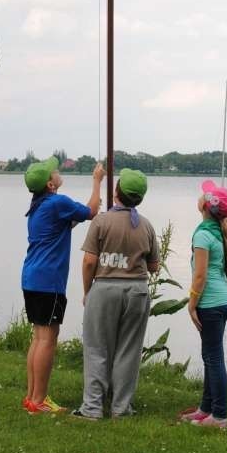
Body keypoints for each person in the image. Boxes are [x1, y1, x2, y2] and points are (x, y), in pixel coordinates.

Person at [73, 169, 159, 420]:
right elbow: (153, 266)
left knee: (97, 348)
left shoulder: (101, 221)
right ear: (140, 199)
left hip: (105, 288)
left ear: (116, 192)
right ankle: (121, 408)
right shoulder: (146, 225)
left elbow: (89, 261)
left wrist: (87, 291)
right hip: (137, 291)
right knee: (129, 350)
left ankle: (92, 407)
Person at [21, 156, 105, 414]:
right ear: (50, 184)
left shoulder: (39, 208)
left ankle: (32, 397)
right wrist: (97, 181)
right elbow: (91, 212)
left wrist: (80, 212)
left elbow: (69, 221)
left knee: (38, 336)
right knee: (48, 338)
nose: (57, 172)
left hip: (32, 279)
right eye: (54, 171)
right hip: (49, 282)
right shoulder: (57, 202)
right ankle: (39, 400)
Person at [179, 180, 227, 430]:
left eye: (204, 195)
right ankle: (206, 408)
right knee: (210, 355)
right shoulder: (215, 230)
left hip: (210, 303)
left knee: (213, 357)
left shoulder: (203, 234)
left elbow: (200, 276)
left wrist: (192, 304)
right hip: (223, 300)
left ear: (205, 205)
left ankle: (220, 416)